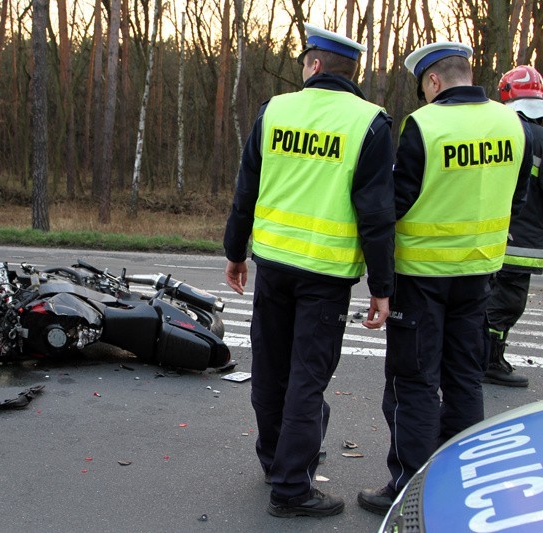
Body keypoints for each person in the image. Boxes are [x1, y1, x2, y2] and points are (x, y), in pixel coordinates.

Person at [223, 24, 395, 518]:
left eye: (304, 63)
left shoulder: (274, 110)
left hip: (273, 264)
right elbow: (377, 216)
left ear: (314, 65)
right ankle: (292, 489)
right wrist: (382, 288)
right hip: (326, 274)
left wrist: (236, 251)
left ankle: (276, 460)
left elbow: (246, 189)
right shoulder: (370, 123)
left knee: (271, 370)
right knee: (306, 380)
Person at [357, 42, 533, 515]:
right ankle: (462, 483)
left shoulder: (425, 125)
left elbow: (396, 203)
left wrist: (379, 267)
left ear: (432, 81)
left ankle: (410, 491)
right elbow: (516, 196)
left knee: (413, 382)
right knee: (464, 379)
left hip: (421, 276)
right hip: (479, 274)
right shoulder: (511, 123)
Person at [483, 65, 543, 388]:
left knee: (493, 295)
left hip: (491, 231)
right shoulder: (537, 135)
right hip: (522, 238)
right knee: (508, 300)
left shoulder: (498, 129)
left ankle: (485, 355)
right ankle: (488, 359)